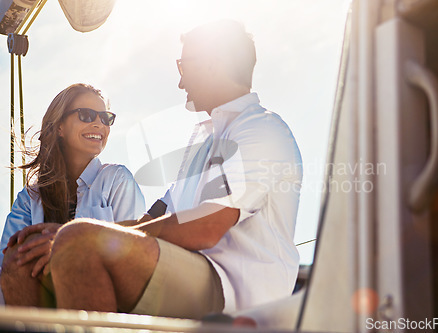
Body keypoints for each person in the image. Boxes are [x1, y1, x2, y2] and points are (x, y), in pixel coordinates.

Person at [49, 20, 303, 319]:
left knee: (78, 244)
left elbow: (207, 226)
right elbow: (154, 218)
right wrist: (62, 239)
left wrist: (91, 238)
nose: (181, 82)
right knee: (24, 263)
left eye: (184, 66)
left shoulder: (261, 130)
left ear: (212, 63)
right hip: (193, 271)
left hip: (233, 292)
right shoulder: (207, 139)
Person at [0, 83, 146, 306]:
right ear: (59, 127)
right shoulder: (30, 197)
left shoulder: (118, 180)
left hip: (99, 298)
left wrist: (67, 247)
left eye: (105, 118)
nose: (98, 123)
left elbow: (132, 255)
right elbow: (7, 263)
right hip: (37, 301)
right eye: (86, 115)